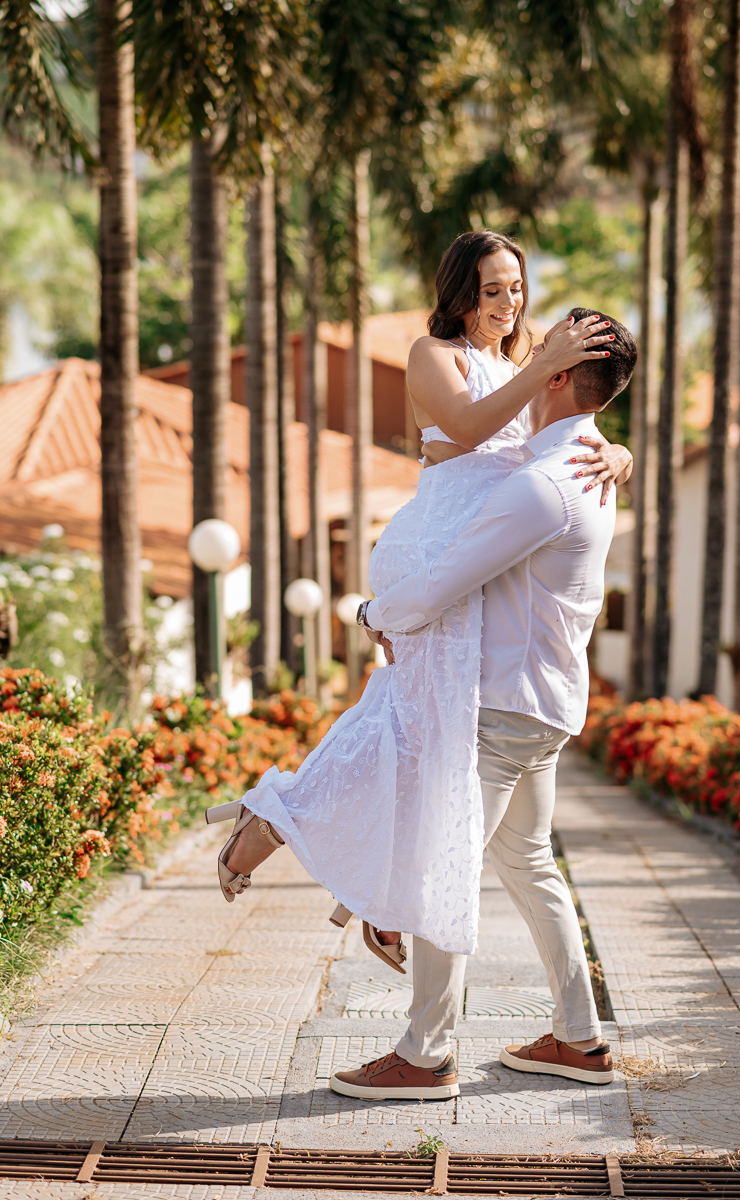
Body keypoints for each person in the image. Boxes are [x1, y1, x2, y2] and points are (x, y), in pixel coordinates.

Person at [205, 231, 629, 974]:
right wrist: (546, 366)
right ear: (460, 293)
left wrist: (620, 453)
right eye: (491, 290)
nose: (507, 303)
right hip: (436, 548)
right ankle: (299, 838)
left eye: (517, 289)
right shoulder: (435, 355)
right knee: (412, 729)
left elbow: (563, 434)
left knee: (414, 734)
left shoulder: (524, 365)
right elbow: (468, 430)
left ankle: (313, 848)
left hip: (476, 561)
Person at [327, 304, 637, 1102]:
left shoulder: (543, 485)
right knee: (527, 861)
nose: (526, 357)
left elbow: (441, 582)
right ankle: (579, 1037)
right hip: (545, 702)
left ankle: (423, 1058)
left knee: (447, 863)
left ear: (564, 376)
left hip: (502, 708)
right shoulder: (590, 464)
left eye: (544, 353)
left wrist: (369, 614)